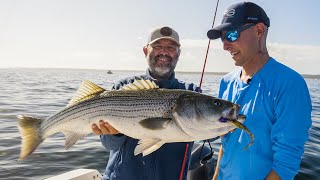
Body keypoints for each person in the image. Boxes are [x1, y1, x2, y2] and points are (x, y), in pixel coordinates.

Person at [206, 2, 312, 180]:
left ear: (259, 30)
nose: (225, 45)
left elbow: (286, 164)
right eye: (222, 38)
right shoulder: (226, 82)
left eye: (231, 35)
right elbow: (226, 144)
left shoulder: (290, 84)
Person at [91, 26, 200, 180]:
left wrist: (223, 123)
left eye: (171, 47)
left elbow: (211, 131)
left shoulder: (192, 92)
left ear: (178, 53)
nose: (164, 52)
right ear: (145, 51)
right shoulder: (123, 88)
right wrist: (114, 134)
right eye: (157, 46)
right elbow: (109, 145)